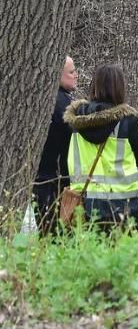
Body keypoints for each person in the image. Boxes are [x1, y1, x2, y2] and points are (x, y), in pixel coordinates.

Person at [63, 64, 138, 234]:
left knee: (91, 254)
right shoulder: (128, 120)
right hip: (124, 201)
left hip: (85, 200)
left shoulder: (77, 120)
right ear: (119, 87)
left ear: (94, 85)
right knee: (128, 255)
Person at [32, 56, 78, 236]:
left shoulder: (45, 98)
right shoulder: (62, 104)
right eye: (71, 72)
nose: (76, 75)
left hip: (43, 179)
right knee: (56, 236)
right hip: (54, 182)